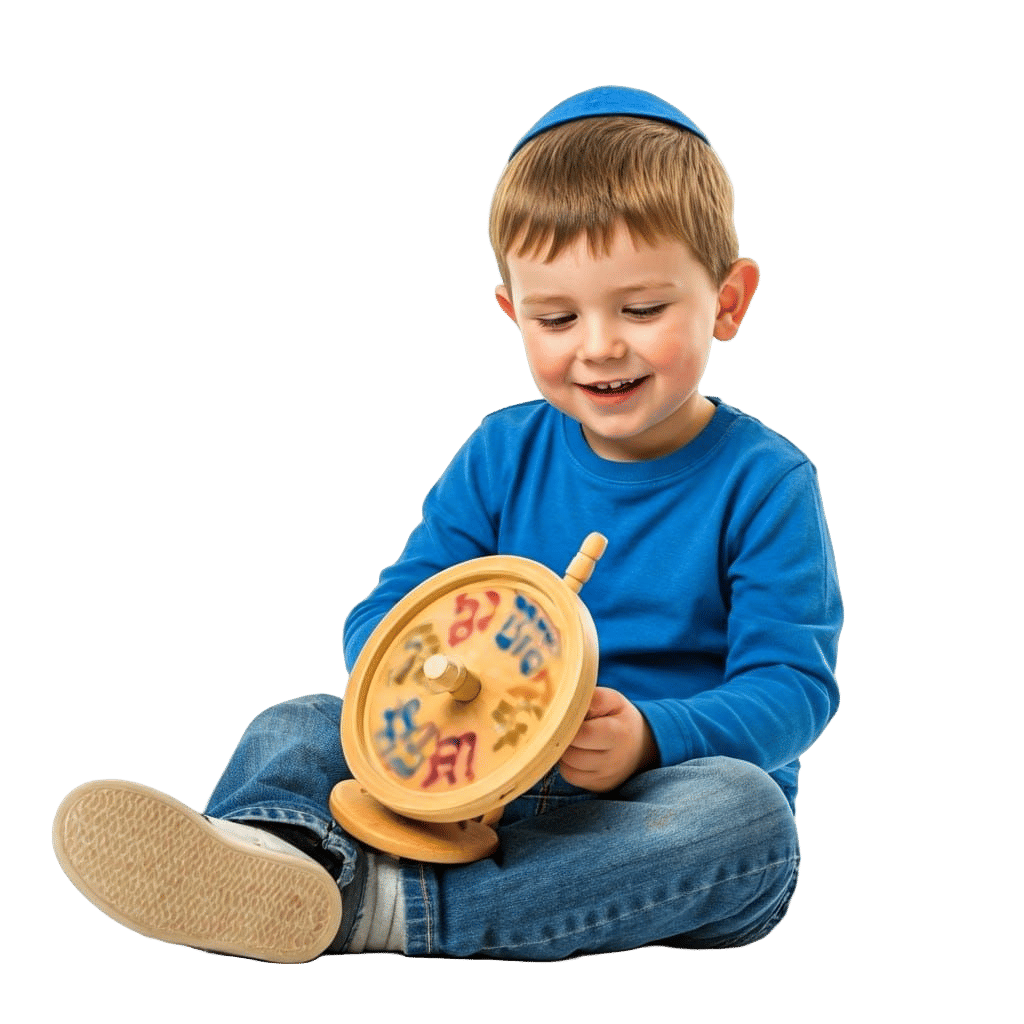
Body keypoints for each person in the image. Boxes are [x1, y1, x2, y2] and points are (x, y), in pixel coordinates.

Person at [52, 85, 843, 962]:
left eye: (643, 309)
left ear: (728, 301)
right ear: (513, 312)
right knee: (300, 722)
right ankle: (269, 857)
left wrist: (651, 737)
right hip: (462, 773)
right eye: (557, 317)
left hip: (648, 802)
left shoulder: (767, 481)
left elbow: (794, 689)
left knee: (746, 819)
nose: (599, 345)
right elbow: (390, 608)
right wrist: (423, 676)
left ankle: (383, 908)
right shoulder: (501, 451)